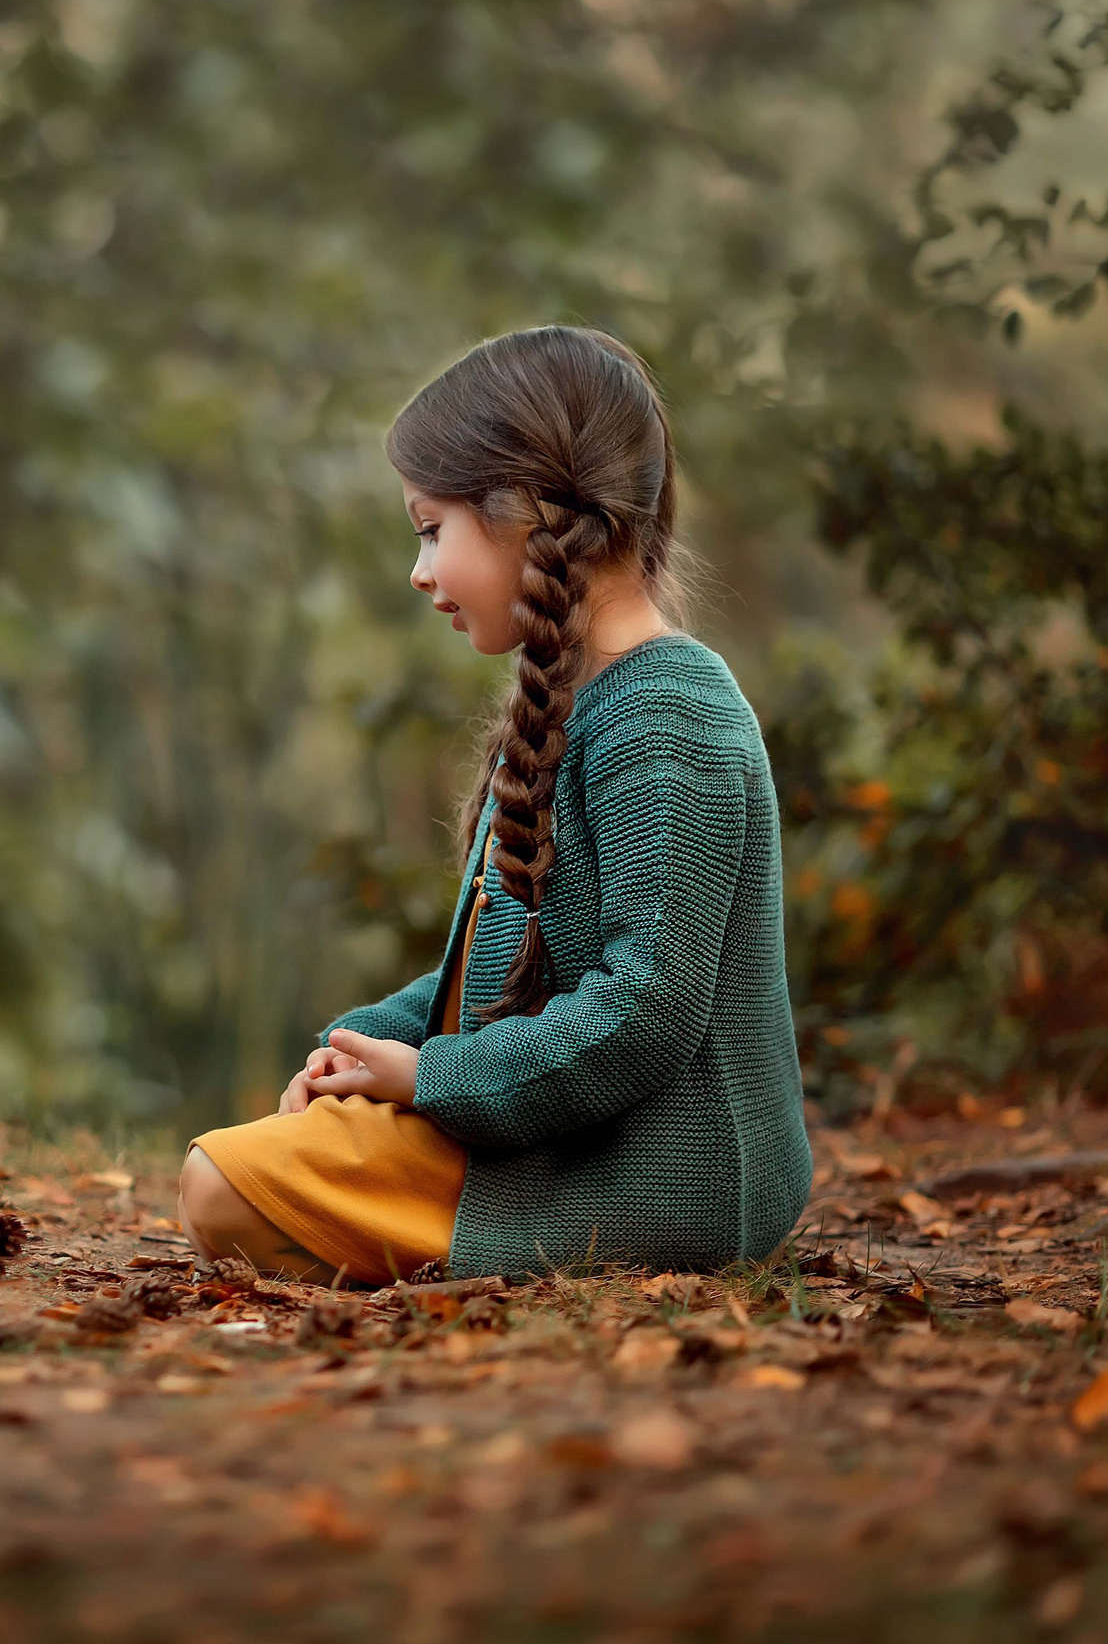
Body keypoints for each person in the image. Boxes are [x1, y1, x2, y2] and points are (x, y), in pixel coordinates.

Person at [180, 326, 811, 1283]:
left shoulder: (670, 713)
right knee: (243, 1160)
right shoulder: (578, 702)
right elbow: (492, 985)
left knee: (221, 1185)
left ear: (527, 507)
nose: (420, 571)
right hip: (575, 1129)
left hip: (675, 1174)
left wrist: (427, 1080)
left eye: (433, 529)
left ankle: (454, 1235)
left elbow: (646, 1009)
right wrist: (364, 1048)